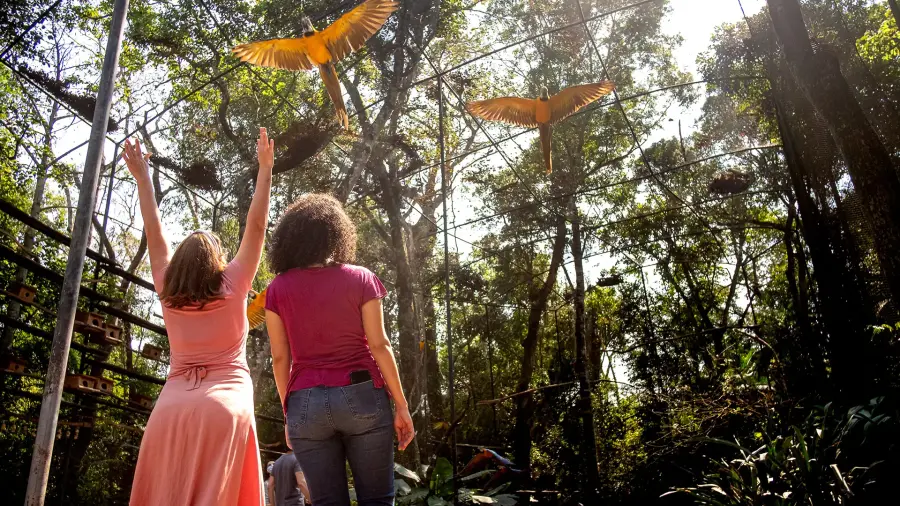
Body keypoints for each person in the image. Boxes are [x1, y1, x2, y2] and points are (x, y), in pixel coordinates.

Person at [127, 128, 275, 505]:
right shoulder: (233, 283)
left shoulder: (168, 290)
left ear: (179, 264)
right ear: (217, 260)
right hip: (225, 405)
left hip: (169, 410)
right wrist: (265, 169)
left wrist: (143, 178)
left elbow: (154, 234)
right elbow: (256, 226)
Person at [264, 194, 415, 506]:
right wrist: (401, 405)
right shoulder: (361, 278)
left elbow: (280, 357)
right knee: (377, 500)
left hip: (305, 403)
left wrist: (289, 412)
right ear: (336, 232)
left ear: (290, 238)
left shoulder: (278, 289)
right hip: (362, 394)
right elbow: (379, 345)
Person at [268, 429, 311, 506]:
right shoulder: (297, 459)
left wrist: (273, 504)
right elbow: (301, 483)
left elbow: (270, 485)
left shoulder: (277, 462)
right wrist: (312, 500)